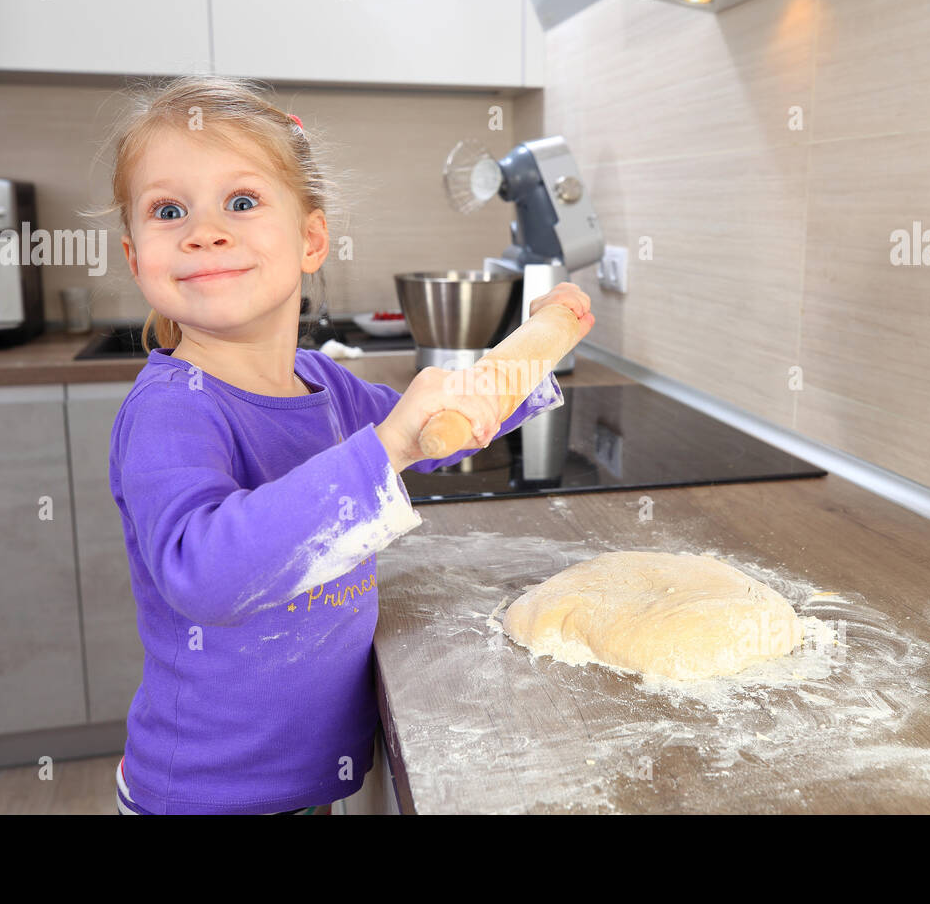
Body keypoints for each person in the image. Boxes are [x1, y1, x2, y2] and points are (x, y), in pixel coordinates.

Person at [86, 75, 594, 814]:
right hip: (208, 793)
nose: (203, 230)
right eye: (169, 210)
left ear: (312, 238)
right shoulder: (172, 412)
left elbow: (440, 431)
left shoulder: (326, 385)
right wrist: (385, 445)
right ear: (137, 258)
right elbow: (203, 573)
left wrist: (538, 346)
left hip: (304, 781)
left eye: (242, 201)